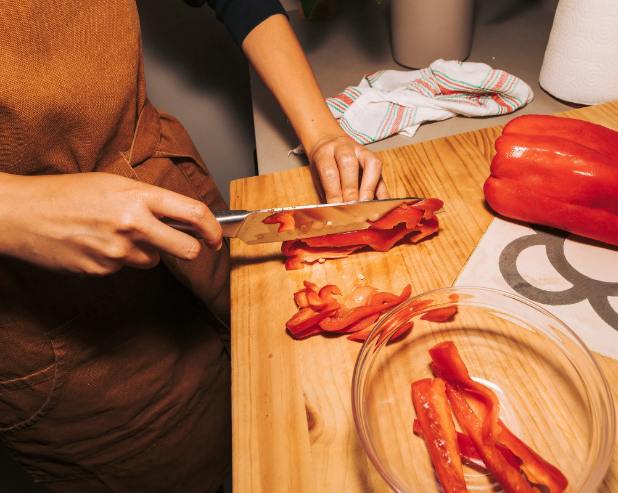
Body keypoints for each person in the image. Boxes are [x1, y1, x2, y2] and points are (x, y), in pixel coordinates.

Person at [0, 1, 386, 492]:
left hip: (176, 207)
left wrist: (323, 134)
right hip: (47, 317)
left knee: (272, 405)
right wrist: (12, 210)